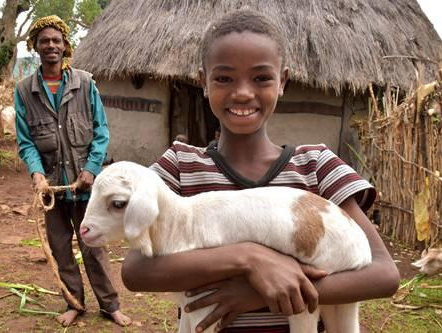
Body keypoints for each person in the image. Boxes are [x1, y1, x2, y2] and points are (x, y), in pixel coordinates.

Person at [122, 9, 399, 332]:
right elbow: (136, 270)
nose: (242, 92)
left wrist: (259, 293)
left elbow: (382, 273)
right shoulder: (180, 167)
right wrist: (249, 258)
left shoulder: (317, 168)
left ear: (282, 82)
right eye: (224, 78)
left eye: (261, 78)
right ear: (203, 82)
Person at [14, 15, 131, 328]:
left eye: (56, 40)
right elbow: (26, 142)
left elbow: (101, 131)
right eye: (44, 41)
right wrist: (37, 175)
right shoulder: (25, 91)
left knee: (93, 246)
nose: (51, 46)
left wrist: (92, 169)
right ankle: (75, 303)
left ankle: (110, 305)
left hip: (86, 187)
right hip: (52, 188)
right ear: (35, 47)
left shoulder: (84, 82)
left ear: (65, 45)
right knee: (61, 247)